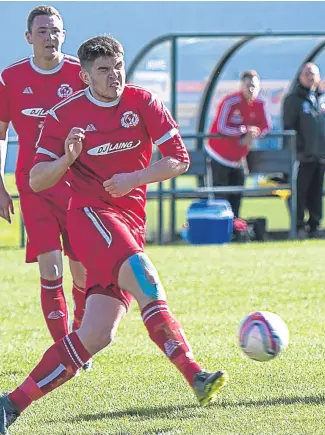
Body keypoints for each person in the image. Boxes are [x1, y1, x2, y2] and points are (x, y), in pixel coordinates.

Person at [0, 35, 227, 433]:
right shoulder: (63, 115)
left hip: (129, 223)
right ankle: (195, 374)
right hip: (89, 217)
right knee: (146, 279)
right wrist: (68, 159)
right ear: (85, 76)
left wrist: (135, 178)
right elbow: (36, 179)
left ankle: (10, 404)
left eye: (118, 66)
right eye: (104, 70)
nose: (114, 75)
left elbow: (179, 159)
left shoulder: (142, 102)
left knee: (97, 335)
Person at [0, 6, 90, 345]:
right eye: (42, 32)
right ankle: (65, 347)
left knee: (82, 270)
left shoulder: (80, 75)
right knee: (50, 267)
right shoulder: (11, 78)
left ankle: (83, 337)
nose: (49, 37)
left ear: (64, 35)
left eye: (55, 31)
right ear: (28, 38)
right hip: (34, 185)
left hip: (75, 185)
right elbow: (1, 133)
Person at [206, 70, 271, 218]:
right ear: (241, 86)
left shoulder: (260, 104)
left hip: (238, 158)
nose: (251, 89)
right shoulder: (231, 101)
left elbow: (266, 126)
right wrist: (244, 131)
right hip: (219, 155)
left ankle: (235, 228)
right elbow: (221, 127)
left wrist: (254, 134)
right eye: (248, 85)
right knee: (220, 197)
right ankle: (220, 229)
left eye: (254, 85)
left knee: (237, 195)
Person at [283, 63, 325, 239]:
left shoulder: (324, 99)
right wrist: (297, 150)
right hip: (302, 156)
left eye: (313, 74)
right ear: (300, 77)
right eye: (307, 74)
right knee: (299, 193)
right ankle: (298, 226)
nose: (310, 77)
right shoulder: (293, 100)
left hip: (320, 154)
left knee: (316, 193)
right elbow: (288, 128)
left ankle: (315, 226)